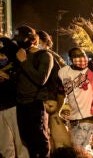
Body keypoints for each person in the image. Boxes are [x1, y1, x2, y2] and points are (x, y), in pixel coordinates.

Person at [13, 25, 54, 157]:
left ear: (32, 40)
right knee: (27, 139)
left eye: (23, 39)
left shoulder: (45, 56)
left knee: (41, 142)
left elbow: (41, 79)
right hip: (21, 104)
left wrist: (24, 61)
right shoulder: (21, 54)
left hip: (35, 104)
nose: (19, 42)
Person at [58, 47, 93, 157]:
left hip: (89, 116)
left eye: (83, 55)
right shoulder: (63, 72)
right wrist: (58, 111)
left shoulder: (92, 69)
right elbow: (61, 93)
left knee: (80, 149)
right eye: (76, 56)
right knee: (80, 150)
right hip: (74, 119)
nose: (81, 58)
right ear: (70, 59)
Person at [0, 37, 30, 158]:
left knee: (21, 142)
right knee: (4, 145)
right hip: (1, 107)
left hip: (14, 105)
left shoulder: (16, 62)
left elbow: (23, 80)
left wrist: (8, 76)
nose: (1, 58)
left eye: (3, 55)